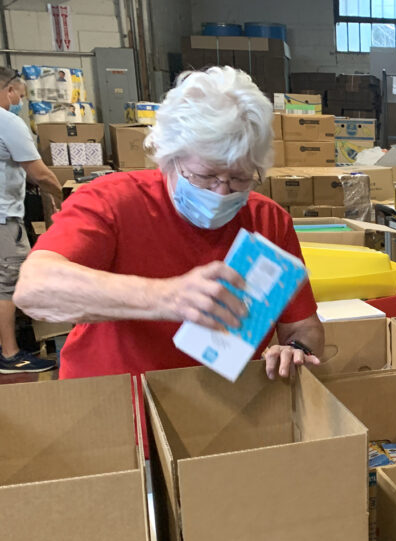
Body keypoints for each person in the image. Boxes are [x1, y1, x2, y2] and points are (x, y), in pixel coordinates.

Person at [14, 66, 322, 382]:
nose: (222, 191)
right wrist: (167, 297)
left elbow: (303, 325)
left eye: (240, 178)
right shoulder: (113, 201)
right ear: (170, 158)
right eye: (205, 176)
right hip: (112, 398)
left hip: (224, 405)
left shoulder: (267, 221)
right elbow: (34, 289)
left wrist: (295, 348)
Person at [0, 67, 63, 374]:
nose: (20, 102)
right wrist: (63, 197)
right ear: (8, 90)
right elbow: (39, 173)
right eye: (20, 96)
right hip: (2, 218)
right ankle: (10, 355)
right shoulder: (7, 121)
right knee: (8, 284)